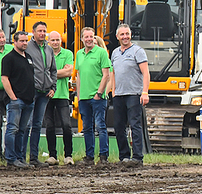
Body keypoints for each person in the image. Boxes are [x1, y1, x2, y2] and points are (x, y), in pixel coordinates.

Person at [111, 23, 150, 167]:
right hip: (119, 95)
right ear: (117, 37)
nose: (125, 37)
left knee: (135, 125)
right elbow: (113, 73)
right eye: (122, 34)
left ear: (131, 35)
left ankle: (138, 157)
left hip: (134, 94)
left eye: (127, 34)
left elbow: (145, 73)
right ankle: (124, 156)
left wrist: (144, 92)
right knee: (118, 126)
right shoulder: (115, 53)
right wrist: (113, 92)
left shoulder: (138, 51)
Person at [75, 27, 111, 166]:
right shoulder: (79, 54)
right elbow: (78, 76)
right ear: (82, 39)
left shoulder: (101, 52)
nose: (89, 39)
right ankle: (89, 157)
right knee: (87, 128)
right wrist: (79, 95)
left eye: (91, 36)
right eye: (86, 37)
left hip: (97, 98)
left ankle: (103, 156)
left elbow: (106, 75)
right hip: (83, 98)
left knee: (100, 126)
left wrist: (99, 94)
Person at [24, 21, 57, 167]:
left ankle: (33, 158)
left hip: (45, 93)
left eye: (44, 31)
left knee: (37, 125)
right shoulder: (27, 47)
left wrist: (53, 87)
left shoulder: (48, 49)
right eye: (39, 31)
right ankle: (20, 157)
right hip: (31, 92)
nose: (42, 33)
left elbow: (53, 70)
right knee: (26, 125)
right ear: (33, 32)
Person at [2, 31, 35, 168]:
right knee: (12, 129)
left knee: (23, 130)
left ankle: (20, 158)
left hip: (28, 100)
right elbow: (5, 78)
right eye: (21, 41)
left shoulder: (28, 57)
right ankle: (11, 158)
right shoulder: (8, 59)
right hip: (16, 101)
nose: (24, 43)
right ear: (14, 42)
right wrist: (13, 98)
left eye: (26, 41)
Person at [44, 31, 74, 166]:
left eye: (58, 40)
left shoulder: (68, 54)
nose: (55, 42)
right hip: (47, 95)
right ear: (48, 41)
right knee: (49, 126)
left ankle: (68, 155)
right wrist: (60, 72)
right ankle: (52, 155)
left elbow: (69, 72)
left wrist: (49, 73)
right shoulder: (44, 53)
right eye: (53, 40)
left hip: (62, 95)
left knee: (66, 126)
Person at [0, 29, 14, 158]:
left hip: (9, 90)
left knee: (11, 122)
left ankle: (9, 153)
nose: (2, 40)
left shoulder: (11, 49)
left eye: (3, 37)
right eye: (0, 38)